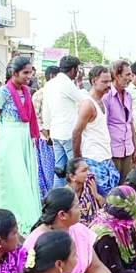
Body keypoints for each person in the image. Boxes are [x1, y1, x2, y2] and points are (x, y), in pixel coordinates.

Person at [0, 56, 42, 234]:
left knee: (25, 179)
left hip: (24, 140)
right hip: (9, 142)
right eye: (26, 72)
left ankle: (28, 218)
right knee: (12, 181)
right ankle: (9, 220)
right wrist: (0, 143)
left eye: (31, 72)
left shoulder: (27, 91)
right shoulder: (3, 92)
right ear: (14, 73)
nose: (29, 75)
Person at [73, 65, 120, 196]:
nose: (109, 85)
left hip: (105, 157)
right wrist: (78, 160)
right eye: (104, 82)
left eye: (110, 81)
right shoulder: (88, 104)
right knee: (98, 200)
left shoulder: (101, 102)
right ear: (94, 82)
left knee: (107, 199)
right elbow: (76, 132)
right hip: (93, 159)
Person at [42, 55, 85, 188]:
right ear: (73, 69)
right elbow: (83, 99)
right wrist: (80, 82)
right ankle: (73, 201)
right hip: (68, 133)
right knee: (76, 170)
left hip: (55, 132)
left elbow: (46, 109)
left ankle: (56, 201)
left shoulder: (50, 84)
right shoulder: (66, 83)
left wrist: (47, 128)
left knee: (60, 170)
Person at [103, 60, 136, 182]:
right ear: (117, 76)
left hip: (127, 149)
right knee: (113, 188)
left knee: (125, 186)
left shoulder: (128, 95)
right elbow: (104, 126)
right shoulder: (106, 96)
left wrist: (135, 149)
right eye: (127, 75)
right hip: (112, 151)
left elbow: (130, 123)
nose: (130, 78)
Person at [33, 65, 57, 201]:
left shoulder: (58, 93)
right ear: (53, 77)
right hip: (45, 140)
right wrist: (48, 136)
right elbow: (36, 119)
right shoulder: (40, 94)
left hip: (57, 138)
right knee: (48, 174)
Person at [59, 157, 104, 225]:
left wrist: (96, 195)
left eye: (88, 169)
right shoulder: (64, 195)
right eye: (84, 170)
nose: (89, 173)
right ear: (72, 177)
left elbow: (106, 206)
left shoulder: (91, 185)